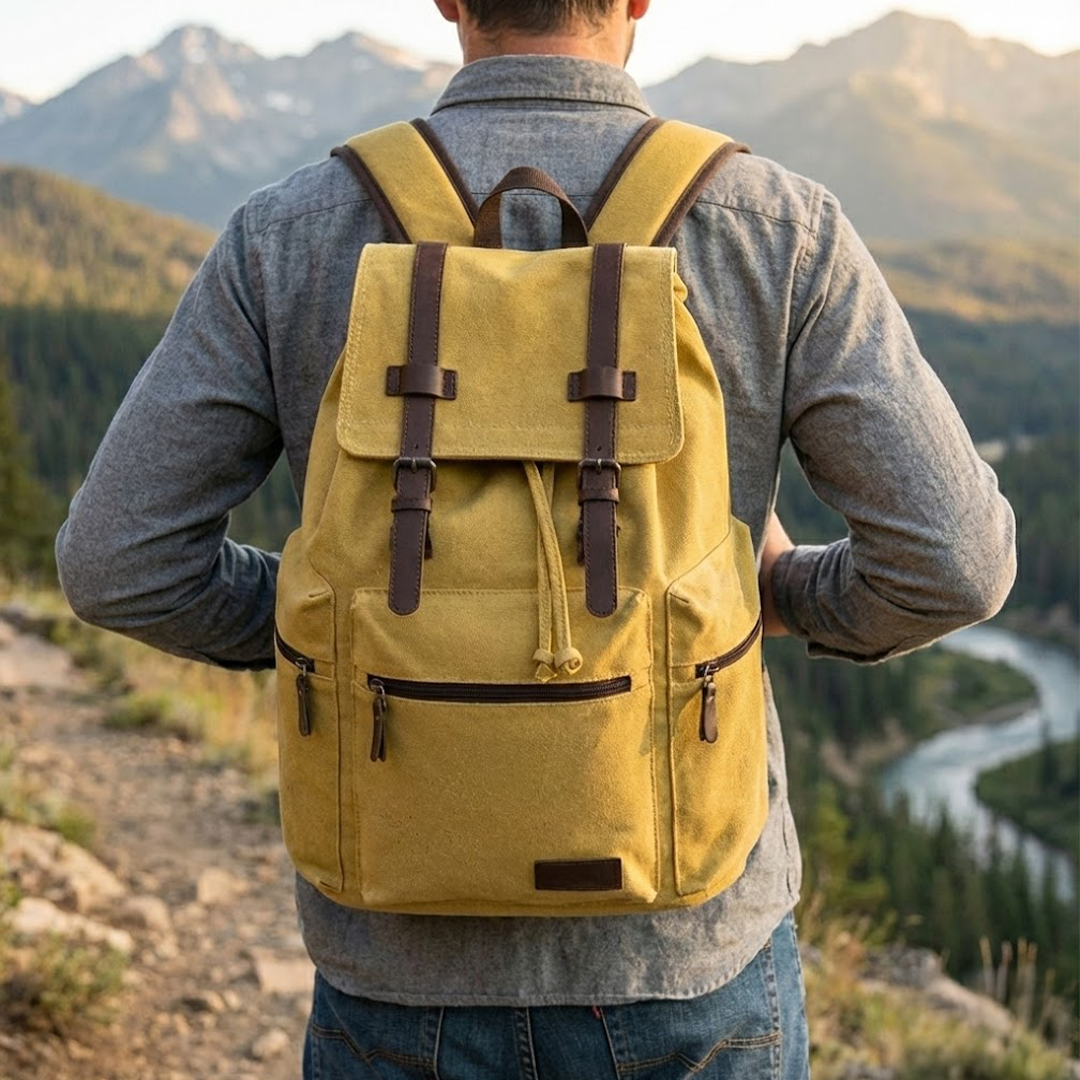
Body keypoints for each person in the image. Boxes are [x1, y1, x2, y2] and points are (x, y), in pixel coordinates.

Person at [55, 1, 1016, 1076]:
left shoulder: (290, 234)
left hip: (395, 960)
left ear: (448, 0)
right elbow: (954, 564)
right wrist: (778, 592)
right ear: (639, 0)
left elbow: (119, 562)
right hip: (689, 954)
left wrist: (338, 630)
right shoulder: (774, 226)